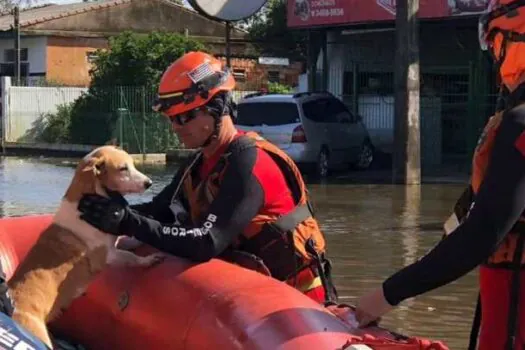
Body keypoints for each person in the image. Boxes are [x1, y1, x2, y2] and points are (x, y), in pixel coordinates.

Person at [76, 51, 337, 305]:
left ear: (217, 108)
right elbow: (159, 212)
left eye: (184, 117)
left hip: (295, 305)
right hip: (249, 296)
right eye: (171, 119)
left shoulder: (251, 162)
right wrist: (107, 213)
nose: (176, 127)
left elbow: (206, 240)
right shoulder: (198, 163)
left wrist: (128, 222)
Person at [355, 1, 525, 349]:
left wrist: (386, 294)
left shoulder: (521, 122)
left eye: (495, 42)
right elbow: (468, 217)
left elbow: (481, 234)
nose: (493, 56)